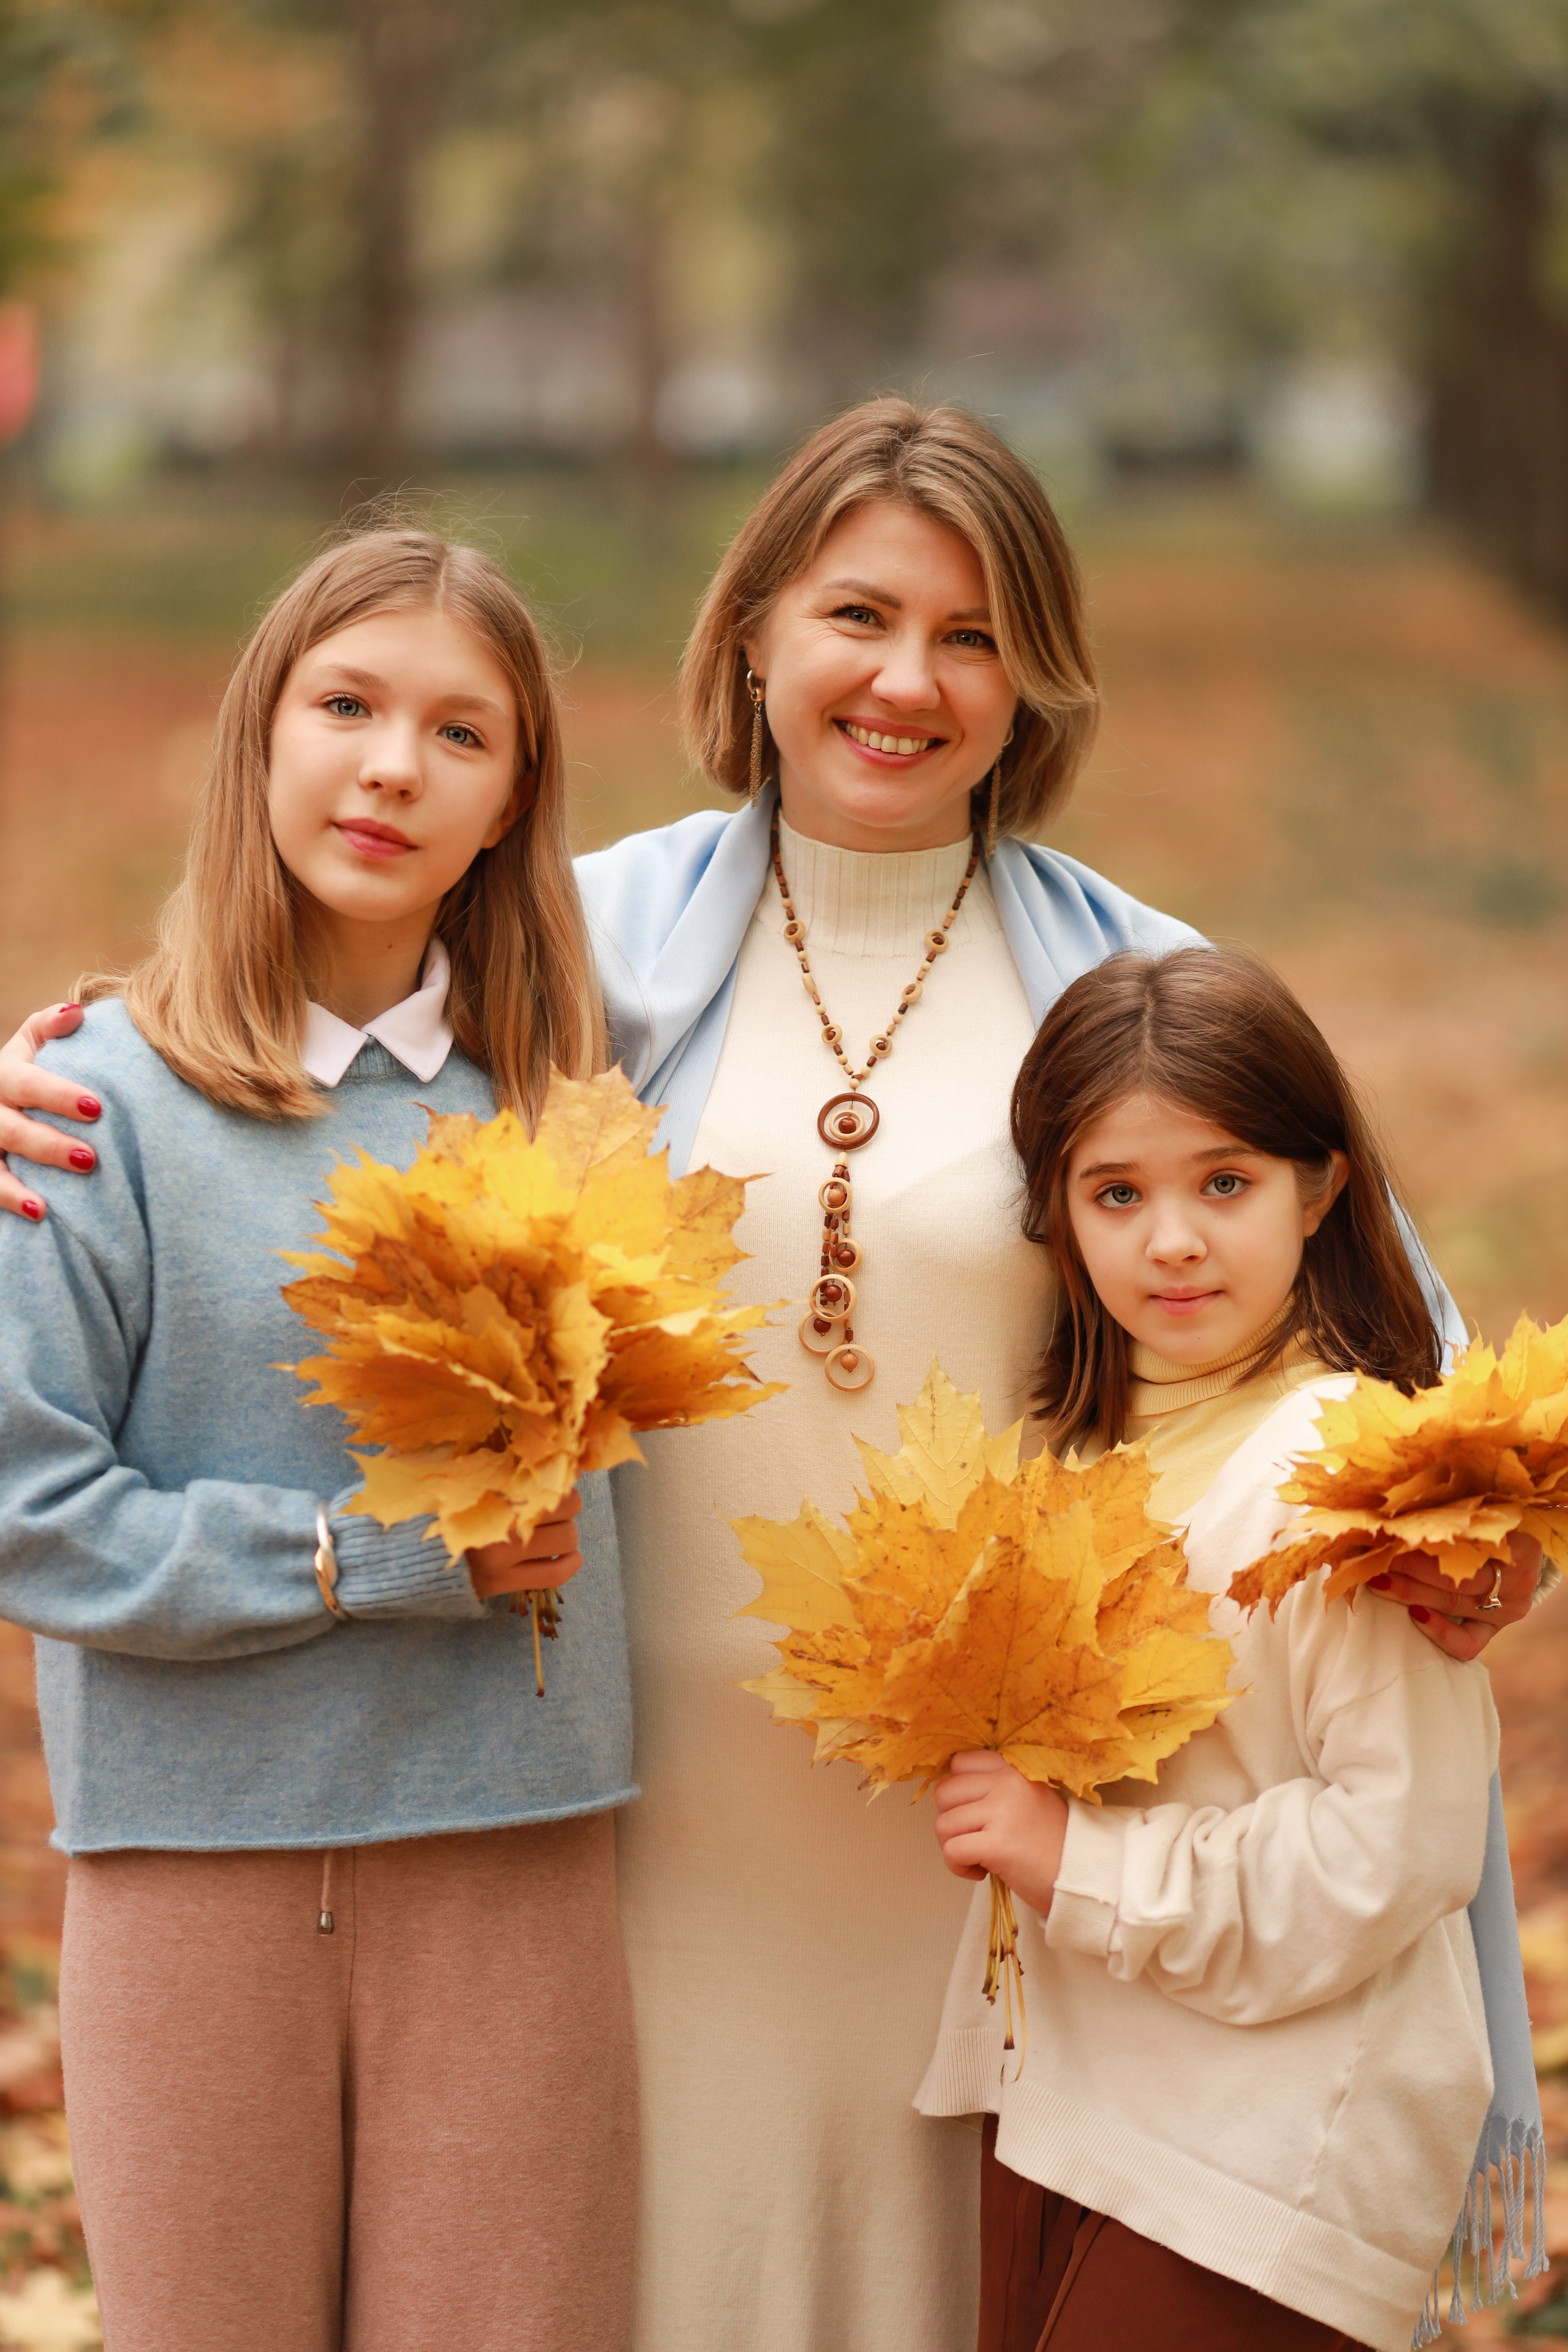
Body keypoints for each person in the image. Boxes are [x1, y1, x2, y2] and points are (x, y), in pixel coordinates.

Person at [0, 401, 1541, 2352]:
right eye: (859, 614)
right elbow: (297, 1064)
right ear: (752, 635)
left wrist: (1483, 1554)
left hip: (984, 1824)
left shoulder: (1130, 986)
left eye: (972, 637)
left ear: (1030, 682)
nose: (907, 679)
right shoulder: (576, 955)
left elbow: (1401, 1367)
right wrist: (58, 1068)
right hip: (605, 1820)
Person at [0, 530, 638, 2352]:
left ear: (517, 797)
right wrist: (375, 1562)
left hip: (520, 1856)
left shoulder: (587, 1104)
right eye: (346, 705)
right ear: (257, 738)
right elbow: (29, 1512)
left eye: (462, 732)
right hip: (190, 1871)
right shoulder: (92, 1101)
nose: (390, 767)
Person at [922, 945, 1527, 2352]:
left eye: (1224, 1183)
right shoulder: (1073, 1457)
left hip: (1259, 2152)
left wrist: (1077, 1861)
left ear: (1317, 1187)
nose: (1172, 1240)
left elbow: (1401, 1845)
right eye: (1114, 1194)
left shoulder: (1346, 1477)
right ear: (1055, 1218)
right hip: (1076, 2104)